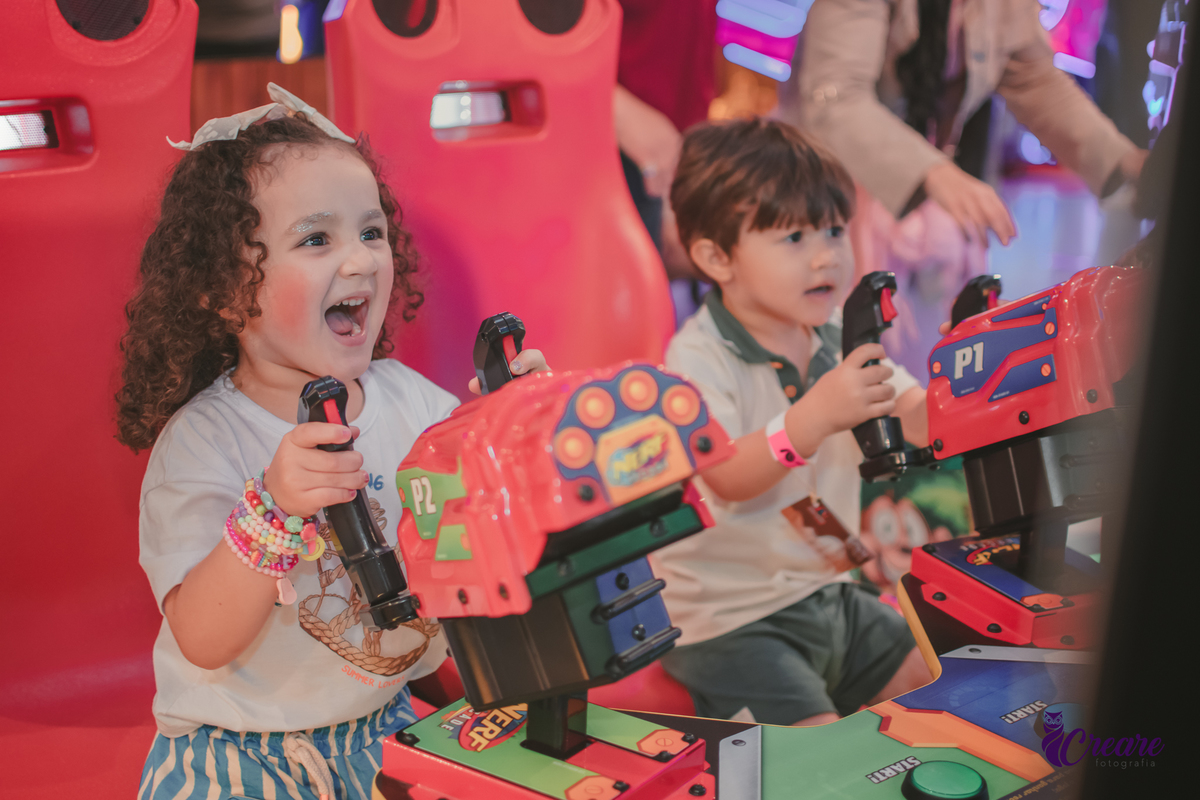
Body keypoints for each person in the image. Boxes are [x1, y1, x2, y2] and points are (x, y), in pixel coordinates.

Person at [118, 85, 545, 800]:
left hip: (386, 728)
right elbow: (203, 639)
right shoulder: (205, 440)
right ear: (225, 290)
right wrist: (273, 509)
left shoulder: (411, 401)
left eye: (371, 232)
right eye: (317, 239)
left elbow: (493, 520)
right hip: (241, 752)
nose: (362, 260)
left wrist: (520, 427)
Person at [651, 118, 932, 727]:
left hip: (827, 588)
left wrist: (977, 375)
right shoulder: (697, 357)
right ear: (716, 256)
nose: (827, 255)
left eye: (835, 230)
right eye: (795, 237)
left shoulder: (836, 332)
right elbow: (727, 477)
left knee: (936, 689)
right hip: (732, 619)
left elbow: (920, 418)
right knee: (819, 754)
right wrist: (815, 416)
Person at [784, 0, 1145, 245]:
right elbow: (837, 100)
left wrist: (1124, 160)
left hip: (917, 209)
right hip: (822, 194)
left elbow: (1032, 78)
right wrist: (935, 173)